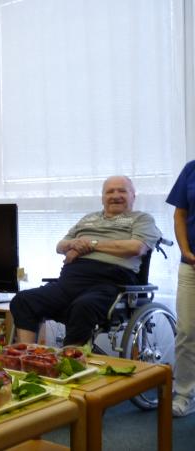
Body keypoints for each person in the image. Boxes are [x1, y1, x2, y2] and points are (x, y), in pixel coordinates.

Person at [10, 175, 161, 346]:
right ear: (102, 198)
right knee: (23, 301)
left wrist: (91, 244)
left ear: (133, 196)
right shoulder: (88, 219)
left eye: (122, 191)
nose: (115, 196)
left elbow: (136, 248)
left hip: (110, 283)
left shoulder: (142, 219)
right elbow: (60, 246)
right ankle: (26, 354)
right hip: (70, 282)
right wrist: (73, 244)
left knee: (83, 306)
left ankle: (70, 358)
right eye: (110, 192)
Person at [166, 162, 195, 417]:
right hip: (191, 265)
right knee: (186, 332)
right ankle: (185, 394)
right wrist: (185, 251)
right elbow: (180, 215)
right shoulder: (191, 170)